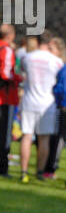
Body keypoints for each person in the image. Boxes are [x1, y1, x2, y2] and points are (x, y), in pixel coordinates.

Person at [18, 32, 63, 182]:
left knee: (27, 136)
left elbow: (22, 71)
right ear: (49, 42)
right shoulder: (56, 61)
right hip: (47, 103)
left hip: (29, 100)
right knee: (44, 139)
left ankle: (23, 171)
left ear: (36, 41)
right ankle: (40, 170)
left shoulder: (27, 58)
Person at [0, 24, 21, 177]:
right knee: (5, 135)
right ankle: (3, 168)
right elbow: (6, 73)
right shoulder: (6, 50)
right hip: (5, 98)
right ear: (10, 35)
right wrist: (20, 78)